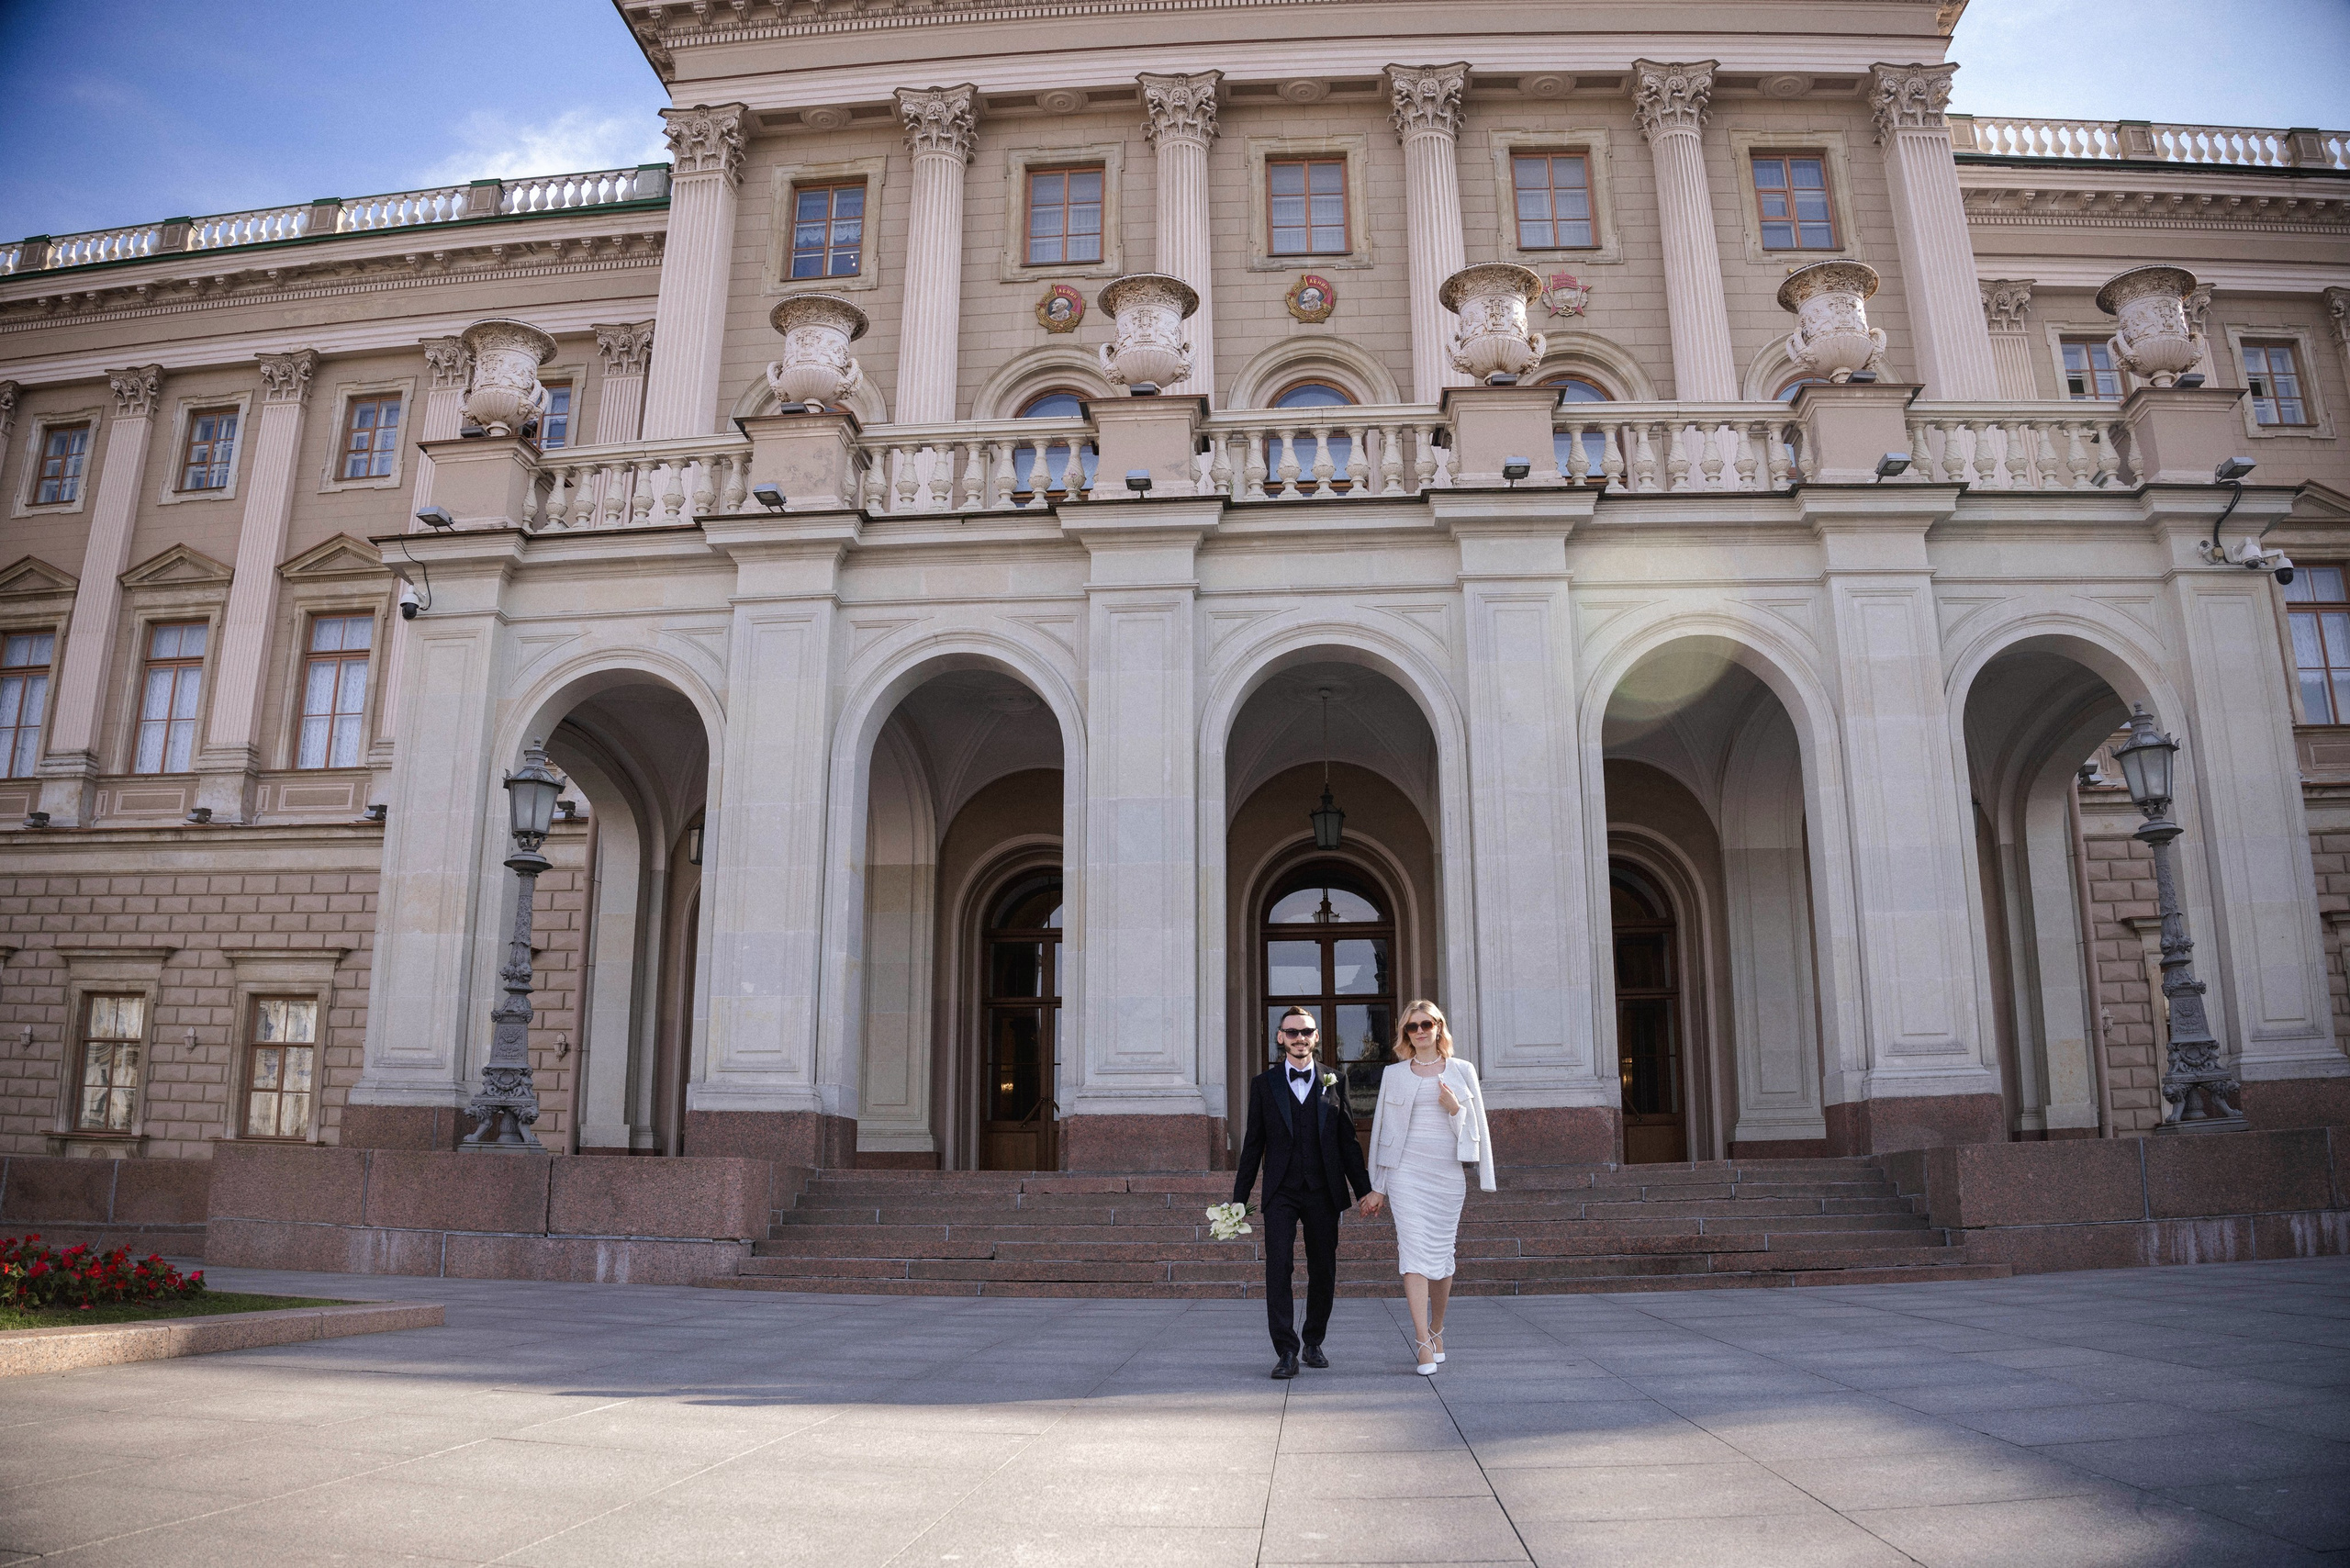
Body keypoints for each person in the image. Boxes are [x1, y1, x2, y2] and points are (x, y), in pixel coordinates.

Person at [1231, 1005, 1375, 1379]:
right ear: (1280, 1038)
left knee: (1323, 1267)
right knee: (1278, 1268)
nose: (1299, 1038)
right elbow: (1253, 1145)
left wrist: (1364, 1190)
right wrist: (1238, 1199)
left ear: (1316, 1037)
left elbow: (1348, 1142)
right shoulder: (1264, 1084)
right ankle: (1286, 1350)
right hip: (1280, 1190)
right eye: (1291, 1032)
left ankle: (1313, 1341)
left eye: (1306, 1031)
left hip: (1323, 1188)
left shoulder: (1335, 1080)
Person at [1365, 1000, 1494, 1374]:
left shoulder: (1462, 1070)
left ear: (1439, 1027)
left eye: (1426, 1024)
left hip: (1446, 1175)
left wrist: (1456, 1108)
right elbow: (1382, 1135)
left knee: (1441, 1256)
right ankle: (1422, 1340)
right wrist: (1379, 1186)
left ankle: (1438, 1327)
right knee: (1413, 1254)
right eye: (1411, 1026)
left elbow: (1476, 1134)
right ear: (1405, 1033)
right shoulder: (1394, 1075)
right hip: (1406, 1174)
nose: (1419, 1031)